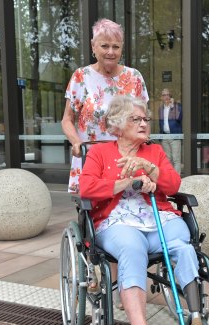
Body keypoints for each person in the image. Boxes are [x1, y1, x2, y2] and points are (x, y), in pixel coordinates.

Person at [79, 95, 209, 325]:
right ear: (117, 124)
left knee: (183, 246)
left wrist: (152, 171)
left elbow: (172, 186)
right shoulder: (100, 153)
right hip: (117, 222)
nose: (144, 123)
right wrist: (125, 183)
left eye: (145, 119)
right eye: (136, 119)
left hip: (157, 217)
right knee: (132, 248)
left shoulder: (154, 152)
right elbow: (86, 189)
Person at [61, 18, 149, 194]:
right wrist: (76, 142)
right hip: (91, 159)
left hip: (127, 160)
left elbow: (144, 121)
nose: (111, 52)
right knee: (91, 212)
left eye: (116, 47)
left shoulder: (134, 77)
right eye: (105, 46)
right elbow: (67, 119)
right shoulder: (81, 76)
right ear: (93, 46)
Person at [158, 88, 183, 174]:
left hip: (175, 136)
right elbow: (160, 123)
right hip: (165, 137)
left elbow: (179, 119)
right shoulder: (161, 109)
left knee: (176, 159)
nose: (165, 97)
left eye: (167, 95)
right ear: (161, 97)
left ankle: (177, 180)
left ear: (170, 96)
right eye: (164, 95)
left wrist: (173, 107)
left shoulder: (177, 106)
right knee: (168, 159)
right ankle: (171, 179)